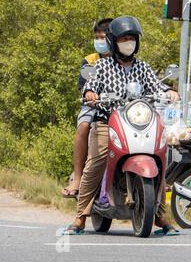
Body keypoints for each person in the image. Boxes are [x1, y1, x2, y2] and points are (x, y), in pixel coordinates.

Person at [64, 16, 179, 234]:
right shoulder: (102, 65)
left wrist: (169, 92)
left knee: (161, 159)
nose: (129, 42)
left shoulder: (143, 67)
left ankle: (160, 216)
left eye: (132, 38)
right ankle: (80, 216)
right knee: (95, 163)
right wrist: (90, 93)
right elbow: (90, 86)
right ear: (113, 42)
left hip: (139, 124)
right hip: (107, 122)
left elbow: (157, 86)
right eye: (124, 38)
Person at [62, 18, 114, 198]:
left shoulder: (123, 59)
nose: (99, 41)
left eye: (103, 37)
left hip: (119, 108)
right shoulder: (90, 60)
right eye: (96, 37)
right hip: (94, 106)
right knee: (83, 126)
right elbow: (85, 87)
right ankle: (77, 178)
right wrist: (91, 94)